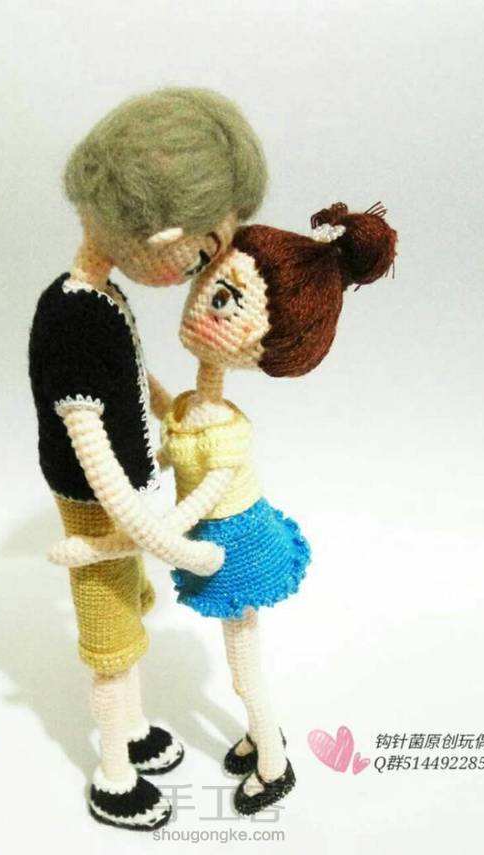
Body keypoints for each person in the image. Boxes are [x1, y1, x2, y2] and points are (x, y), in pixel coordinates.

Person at [55, 201, 397, 814]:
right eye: (210, 283)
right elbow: (164, 409)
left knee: (244, 670)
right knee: (242, 662)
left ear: (264, 346)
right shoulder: (196, 406)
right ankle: (262, 741)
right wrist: (126, 370)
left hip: (236, 548)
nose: (200, 305)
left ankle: (274, 763)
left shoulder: (226, 432)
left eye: (225, 301)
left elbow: (193, 510)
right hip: (212, 538)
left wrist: (118, 541)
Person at [28, 87, 267, 830]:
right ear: (158, 233)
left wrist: (168, 412)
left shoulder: (98, 299)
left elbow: (126, 379)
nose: (200, 268)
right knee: (112, 640)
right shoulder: (73, 315)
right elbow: (87, 436)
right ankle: (114, 773)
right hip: (99, 503)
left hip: (120, 502)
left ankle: (131, 730)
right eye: (199, 250)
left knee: (128, 610)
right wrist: (163, 538)